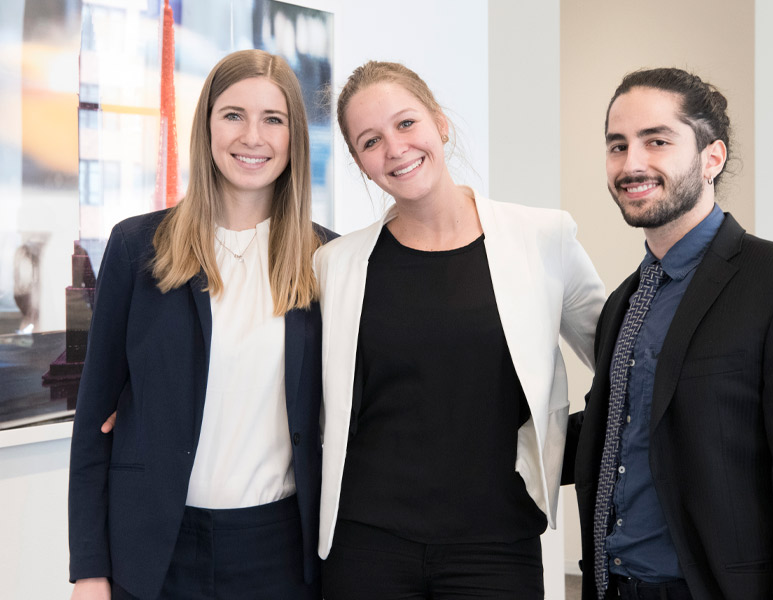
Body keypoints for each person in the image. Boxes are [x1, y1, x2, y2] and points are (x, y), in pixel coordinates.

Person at [563, 67, 773, 600]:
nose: (631, 163)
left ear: (712, 158)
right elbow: (620, 423)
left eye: (656, 140)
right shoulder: (625, 302)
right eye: (617, 146)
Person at [313, 61, 606, 599]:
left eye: (406, 124)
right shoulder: (336, 265)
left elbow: (623, 360)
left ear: (440, 123)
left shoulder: (542, 238)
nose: (396, 149)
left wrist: (564, 449)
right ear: (359, 162)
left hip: (495, 545)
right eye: (371, 140)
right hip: (367, 547)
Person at [68, 49, 333, 599]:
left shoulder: (326, 259)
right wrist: (89, 569)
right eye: (233, 114)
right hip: (155, 550)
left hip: (280, 550)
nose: (251, 137)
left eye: (273, 119)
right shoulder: (136, 247)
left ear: (294, 138)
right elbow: (94, 419)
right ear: (207, 125)